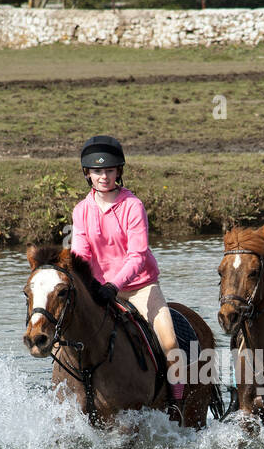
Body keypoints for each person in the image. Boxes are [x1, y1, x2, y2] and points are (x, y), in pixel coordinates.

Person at [68, 135, 188, 420]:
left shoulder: (133, 205)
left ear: (119, 171)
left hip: (139, 287)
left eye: (109, 170)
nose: (104, 176)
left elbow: (138, 254)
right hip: (99, 290)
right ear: (88, 174)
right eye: (97, 171)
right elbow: (80, 255)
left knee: (170, 344)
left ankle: (176, 404)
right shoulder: (81, 211)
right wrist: (89, 286)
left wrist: (114, 285)